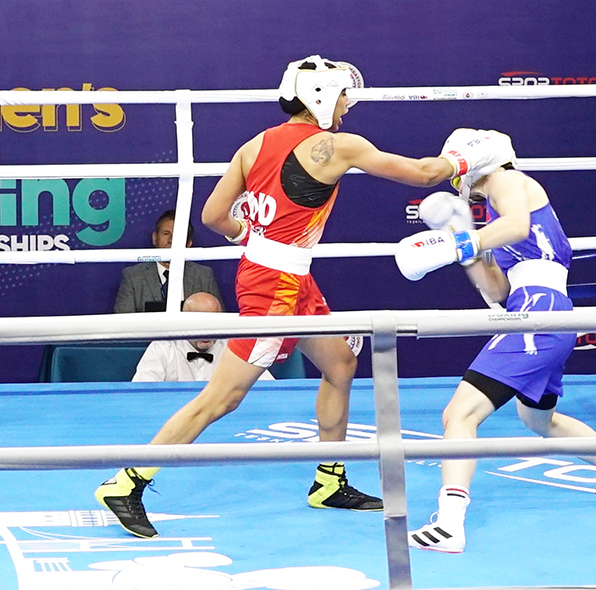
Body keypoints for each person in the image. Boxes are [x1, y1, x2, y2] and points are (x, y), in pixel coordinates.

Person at [95, 54, 511, 538]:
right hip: (275, 286)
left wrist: (248, 235)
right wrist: (474, 155)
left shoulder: (254, 146)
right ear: (322, 96)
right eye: (343, 98)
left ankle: (329, 480)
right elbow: (422, 174)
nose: (347, 108)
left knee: (339, 363)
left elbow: (212, 216)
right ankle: (127, 482)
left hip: (279, 272)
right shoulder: (336, 146)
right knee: (222, 397)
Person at [395, 131, 596, 554]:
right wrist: (462, 245)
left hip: (539, 311)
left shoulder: (508, 181)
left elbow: (517, 227)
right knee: (539, 422)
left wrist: (466, 239)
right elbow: (497, 290)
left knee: (459, 414)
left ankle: (448, 525)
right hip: (542, 311)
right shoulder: (495, 217)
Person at [132, 292, 274, 383]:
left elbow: (268, 388)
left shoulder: (235, 347)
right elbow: (141, 393)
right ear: (184, 322)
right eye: (200, 324)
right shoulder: (161, 348)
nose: (207, 331)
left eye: (213, 323)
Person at [113, 209, 224, 313]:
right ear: (154, 238)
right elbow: (122, 324)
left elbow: (219, 321)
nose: (171, 241)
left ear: (189, 243)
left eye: (178, 236)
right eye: (166, 234)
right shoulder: (133, 276)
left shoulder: (203, 275)